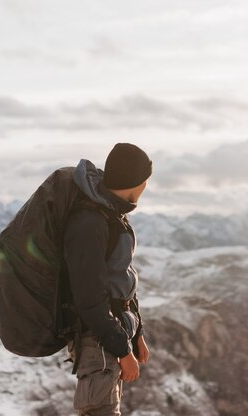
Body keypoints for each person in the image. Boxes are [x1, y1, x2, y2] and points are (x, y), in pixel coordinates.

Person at [64, 143, 152, 416]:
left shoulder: (112, 215)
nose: (146, 187)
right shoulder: (90, 222)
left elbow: (121, 279)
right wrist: (123, 352)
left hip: (109, 341)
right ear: (134, 182)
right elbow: (89, 298)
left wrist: (136, 334)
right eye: (145, 180)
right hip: (98, 344)